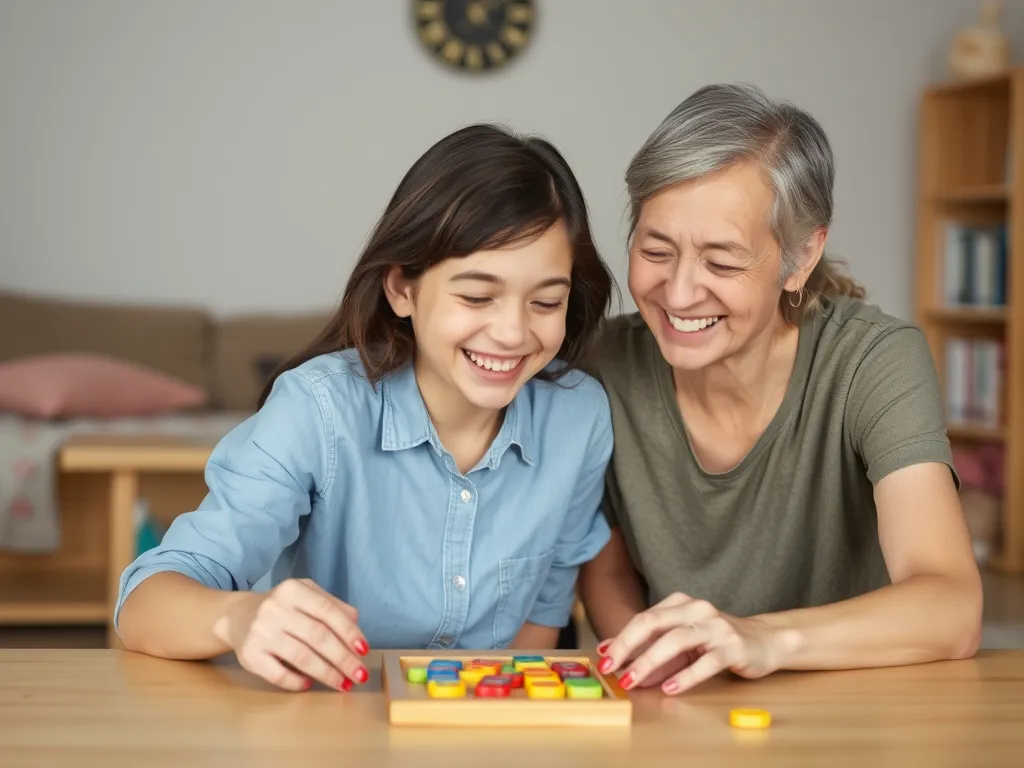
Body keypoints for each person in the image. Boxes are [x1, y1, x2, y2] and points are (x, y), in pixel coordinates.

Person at [115, 123, 616, 692]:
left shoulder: (581, 418)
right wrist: (238, 617)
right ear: (402, 288)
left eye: (546, 301)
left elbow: (542, 616)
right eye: (477, 296)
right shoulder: (317, 411)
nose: (512, 332)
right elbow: (144, 601)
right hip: (324, 727)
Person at [579, 83, 983, 695]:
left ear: (800, 258)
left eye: (722, 262)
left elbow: (952, 606)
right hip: (685, 706)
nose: (680, 292)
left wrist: (761, 638)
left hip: (853, 705)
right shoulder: (601, 365)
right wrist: (651, 655)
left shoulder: (873, 362)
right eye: (655, 250)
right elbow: (605, 573)